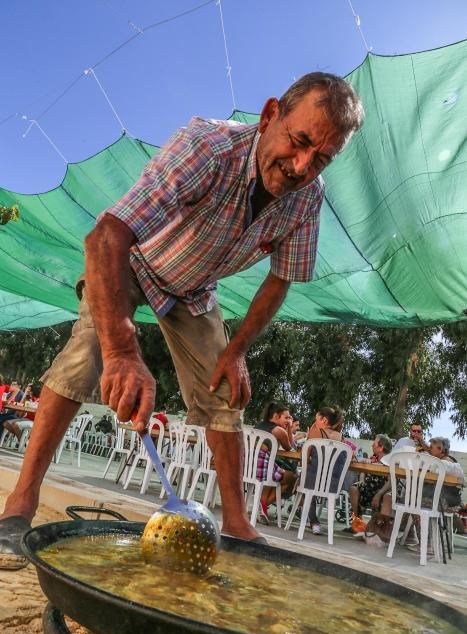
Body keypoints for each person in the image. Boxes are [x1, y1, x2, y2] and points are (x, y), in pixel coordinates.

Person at [0, 72, 364, 569]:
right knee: (87, 355)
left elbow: (280, 280)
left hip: (193, 289)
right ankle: (18, 505)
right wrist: (123, 351)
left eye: (321, 158)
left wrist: (236, 353)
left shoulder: (308, 198)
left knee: (224, 391)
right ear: (269, 115)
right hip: (130, 260)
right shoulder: (206, 148)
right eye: (299, 142)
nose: (302, 166)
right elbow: (105, 238)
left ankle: (237, 524)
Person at [254, 401, 298, 523]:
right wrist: (289, 427)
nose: (289, 420)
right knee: (290, 477)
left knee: (280, 474)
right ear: (276, 416)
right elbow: (289, 447)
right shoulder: (278, 430)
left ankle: (261, 506)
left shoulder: (258, 426)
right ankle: (262, 505)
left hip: (249, 465)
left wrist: (287, 425)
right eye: (286, 417)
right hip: (262, 464)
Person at [305, 405, 345, 535]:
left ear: (324, 421)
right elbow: (351, 457)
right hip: (333, 486)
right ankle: (311, 519)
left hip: (314, 483)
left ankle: (313, 521)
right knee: (309, 477)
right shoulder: (341, 438)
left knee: (302, 478)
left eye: (316, 419)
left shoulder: (316, 431)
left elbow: (304, 458)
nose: (315, 422)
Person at [349, 434, 393, 533]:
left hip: (381, 492)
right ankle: (357, 521)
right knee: (354, 488)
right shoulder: (373, 459)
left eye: (374, 444)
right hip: (369, 489)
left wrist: (378, 495)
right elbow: (364, 478)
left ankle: (377, 526)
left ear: (381, 447)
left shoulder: (390, 462)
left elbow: (390, 482)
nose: (372, 446)